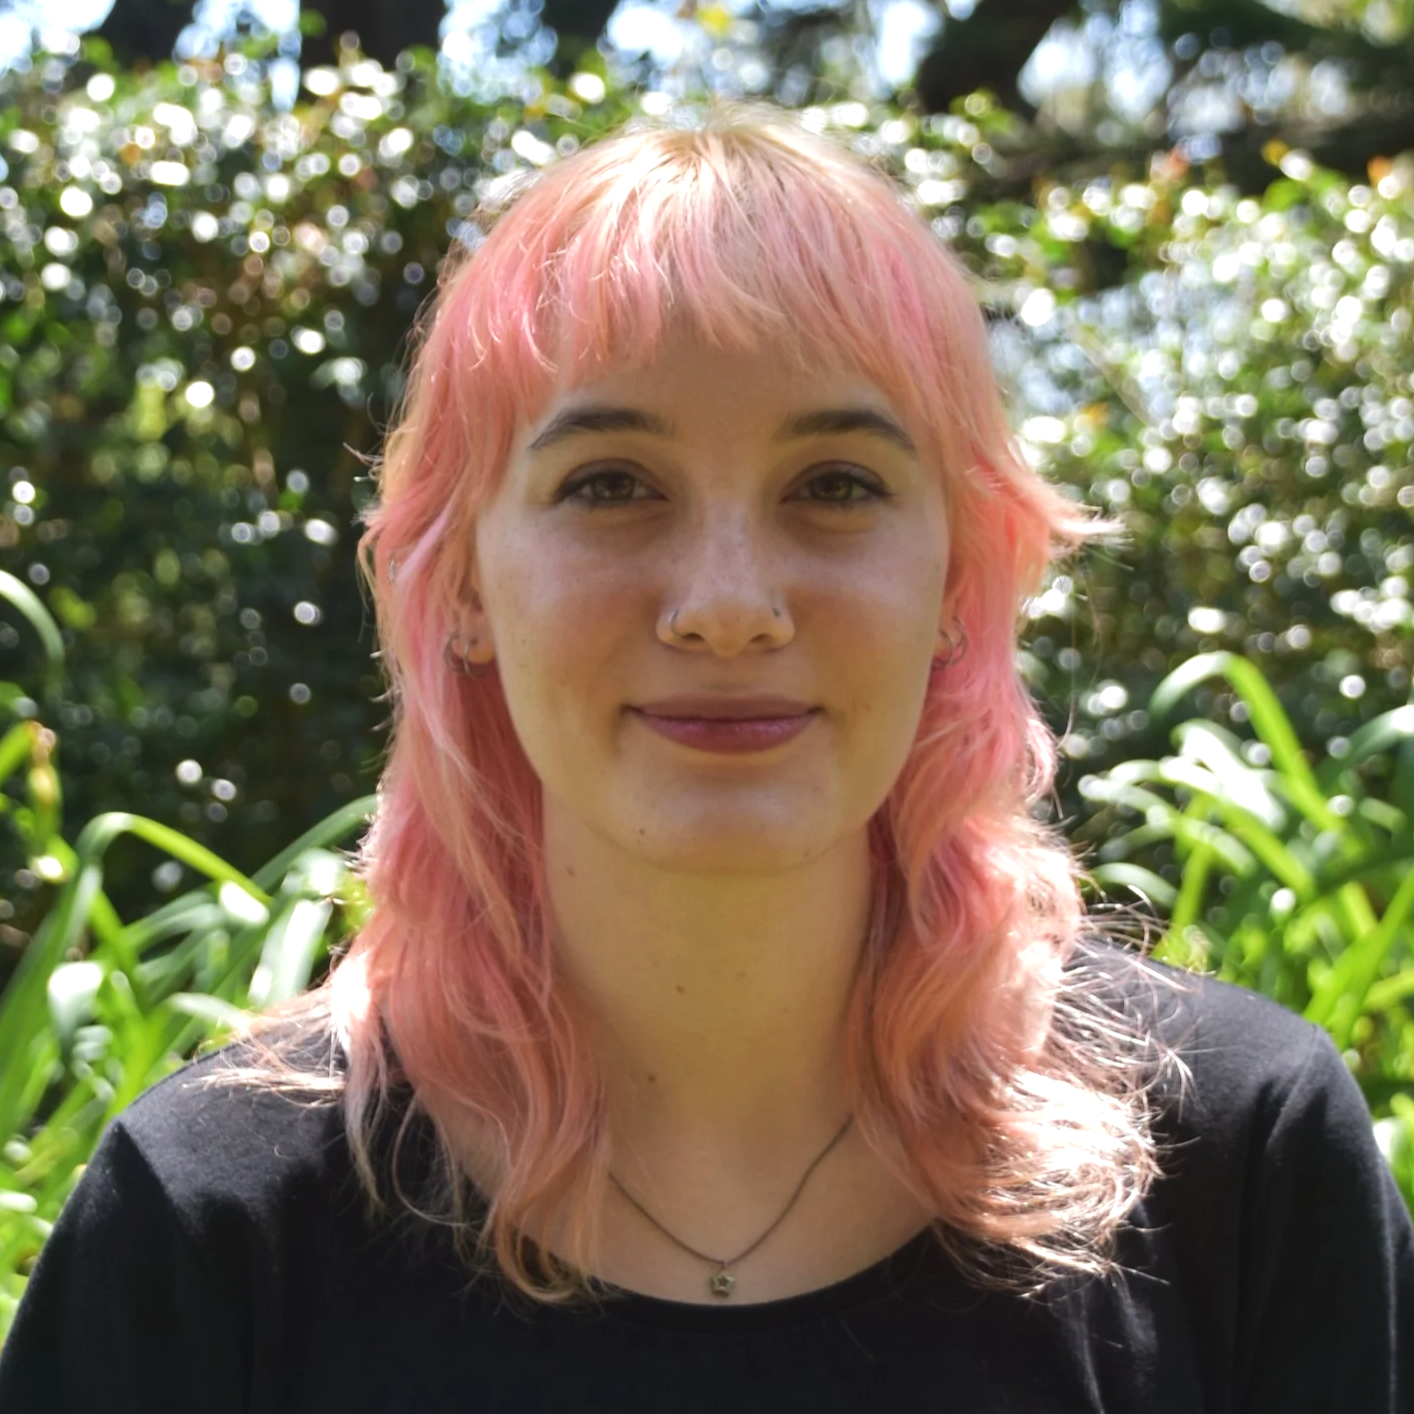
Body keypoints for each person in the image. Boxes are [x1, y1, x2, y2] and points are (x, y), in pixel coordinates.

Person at [1, 102, 1410, 1413]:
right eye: (610, 484)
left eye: (833, 485)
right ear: (465, 585)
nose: (728, 602)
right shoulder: (206, 1227)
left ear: (961, 578)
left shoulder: (1242, 1163)